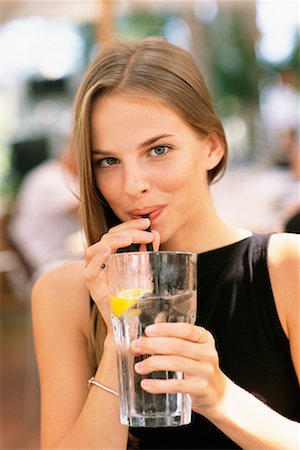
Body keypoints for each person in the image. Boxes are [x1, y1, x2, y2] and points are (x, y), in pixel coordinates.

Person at [31, 37, 299, 450]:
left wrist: (219, 396)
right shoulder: (64, 294)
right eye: (108, 161)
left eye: (158, 150)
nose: (133, 185)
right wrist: (117, 338)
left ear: (212, 145)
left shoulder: (285, 268)